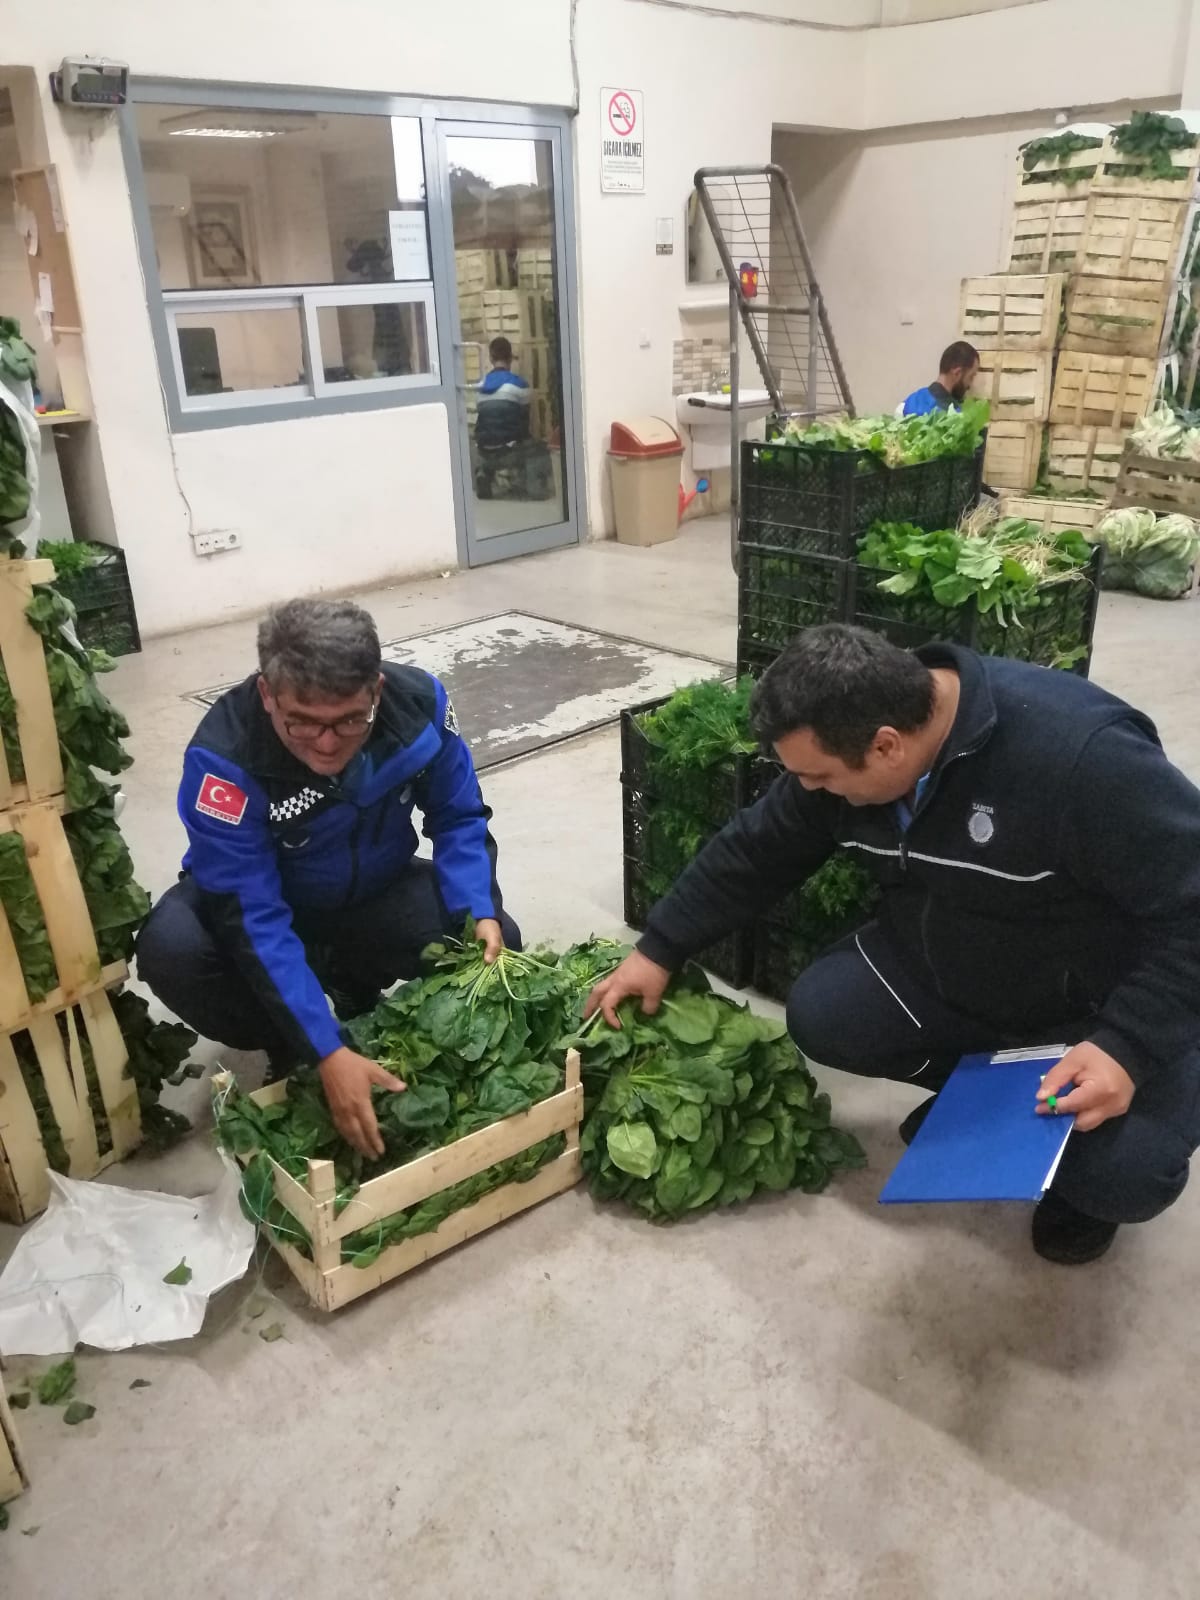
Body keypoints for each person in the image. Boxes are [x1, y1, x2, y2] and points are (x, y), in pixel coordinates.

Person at [587, 625, 1200, 1266]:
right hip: (951, 965)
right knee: (824, 1014)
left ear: (885, 747)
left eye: (819, 776)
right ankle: (984, 1103)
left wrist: (1126, 1048)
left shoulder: (1080, 757)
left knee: (1129, 1173)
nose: (811, 789)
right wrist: (659, 948)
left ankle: (1073, 1160)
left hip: (1090, 1003)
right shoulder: (851, 744)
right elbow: (758, 848)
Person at [136, 598, 519, 1159]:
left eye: (349, 721)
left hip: (373, 891)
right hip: (262, 906)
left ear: (377, 691)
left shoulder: (419, 709)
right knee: (172, 949)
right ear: (268, 695)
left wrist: (477, 908)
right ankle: (287, 1034)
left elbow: (458, 816)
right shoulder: (225, 759)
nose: (327, 743)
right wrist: (324, 1050)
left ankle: (347, 987)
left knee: (489, 941)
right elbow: (252, 915)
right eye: (302, 723)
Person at [475, 336, 531, 450]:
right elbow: (525, 419)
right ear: (510, 358)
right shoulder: (520, 385)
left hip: (483, 447)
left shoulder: (480, 387)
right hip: (510, 447)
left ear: (491, 359)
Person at [901, 340, 979, 417]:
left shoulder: (908, 402)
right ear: (957, 373)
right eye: (971, 376)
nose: (970, 385)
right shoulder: (953, 418)